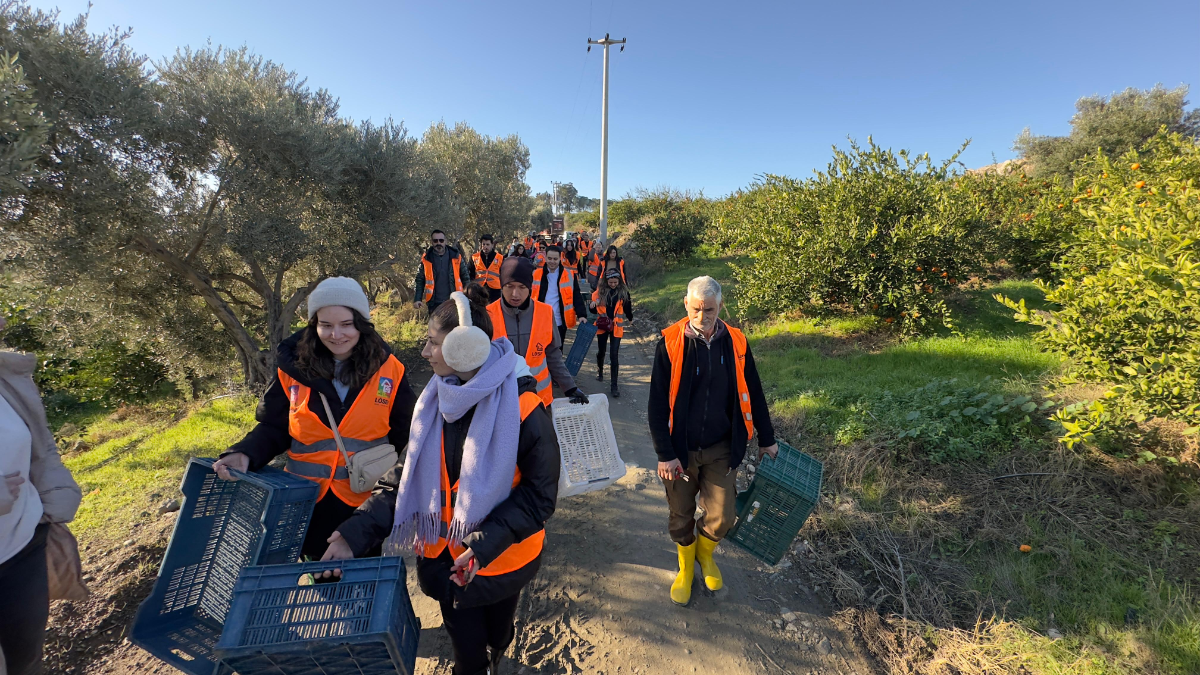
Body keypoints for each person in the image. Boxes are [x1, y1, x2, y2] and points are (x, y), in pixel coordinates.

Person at [325, 285, 559, 675]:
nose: (424, 352)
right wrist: (355, 532)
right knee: (467, 656)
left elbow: (539, 497)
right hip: (444, 561)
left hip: (501, 563)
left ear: (462, 349)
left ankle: (499, 647)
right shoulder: (434, 402)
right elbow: (404, 477)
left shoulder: (525, 410)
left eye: (433, 344)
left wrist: (483, 546)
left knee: (499, 632)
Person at [215, 277, 417, 560]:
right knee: (319, 577)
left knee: (361, 583)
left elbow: (406, 437)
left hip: (362, 507)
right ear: (314, 324)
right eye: (326, 325)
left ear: (361, 323)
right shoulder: (292, 369)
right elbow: (275, 426)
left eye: (347, 324)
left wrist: (388, 502)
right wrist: (245, 453)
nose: (336, 334)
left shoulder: (390, 370)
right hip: (305, 501)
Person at [646, 276, 778, 606]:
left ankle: (706, 556)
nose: (702, 318)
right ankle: (685, 568)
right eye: (695, 310)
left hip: (722, 446)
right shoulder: (670, 343)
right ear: (686, 305)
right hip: (680, 450)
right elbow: (657, 404)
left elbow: (755, 393)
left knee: (722, 516)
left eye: (709, 310)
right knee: (680, 514)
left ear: (721, 306)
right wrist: (665, 454)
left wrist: (767, 438)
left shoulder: (736, 342)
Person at [0, 315, 83, 675]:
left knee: (26, 663)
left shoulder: (6, 377)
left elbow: (39, 442)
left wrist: (56, 496)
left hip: (22, 546)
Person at [488, 256, 589, 407]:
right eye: (509, 286)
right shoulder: (487, 315)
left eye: (522, 287)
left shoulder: (545, 312)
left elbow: (553, 355)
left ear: (529, 287)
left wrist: (569, 387)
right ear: (502, 286)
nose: (515, 294)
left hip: (539, 402)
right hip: (501, 402)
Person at [531, 246, 588, 344]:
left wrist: (581, 315)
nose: (552, 261)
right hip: (540, 320)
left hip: (560, 321)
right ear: (545, 258)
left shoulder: (569, 275)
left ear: (560, 258)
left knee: (557, 350)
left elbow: (576, 296)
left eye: (555, 259)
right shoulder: (536, 274)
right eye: (549, 258)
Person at [591, 269, 632, 398]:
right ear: (606, 281)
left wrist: (631, 318)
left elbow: (627, 307)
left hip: (616, 328)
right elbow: (592, 311)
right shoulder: (598, 294)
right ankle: (600, 370)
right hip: (602, 326)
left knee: (614, 356)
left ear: (619, 281)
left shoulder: (623, 293)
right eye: (610, 282)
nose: (613, 284)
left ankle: (614, 386)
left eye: (615, 282)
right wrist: (592, 306)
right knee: (601, 351)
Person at [413, 230, 470, 312]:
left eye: (441, 240)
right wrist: (417, 299)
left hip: (454, 302)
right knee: (435, 325)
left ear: (445, 241)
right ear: (431, 242)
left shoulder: (456, 256)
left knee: (454, 325)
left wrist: (468, 297)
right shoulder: (426, 259)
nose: (438, 243)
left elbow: (465, 278)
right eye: (435, 241)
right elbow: (420, 279)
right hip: (434, 304)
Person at [469, 234, 503, 303]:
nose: (485, 247)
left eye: (487, 244)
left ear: (492, 245)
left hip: (495, 290)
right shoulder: (474, 257)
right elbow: (469, 273)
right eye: (483, 244)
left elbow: (504, 274)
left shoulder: (500, 258)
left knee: (494, 310)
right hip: (479, 289)